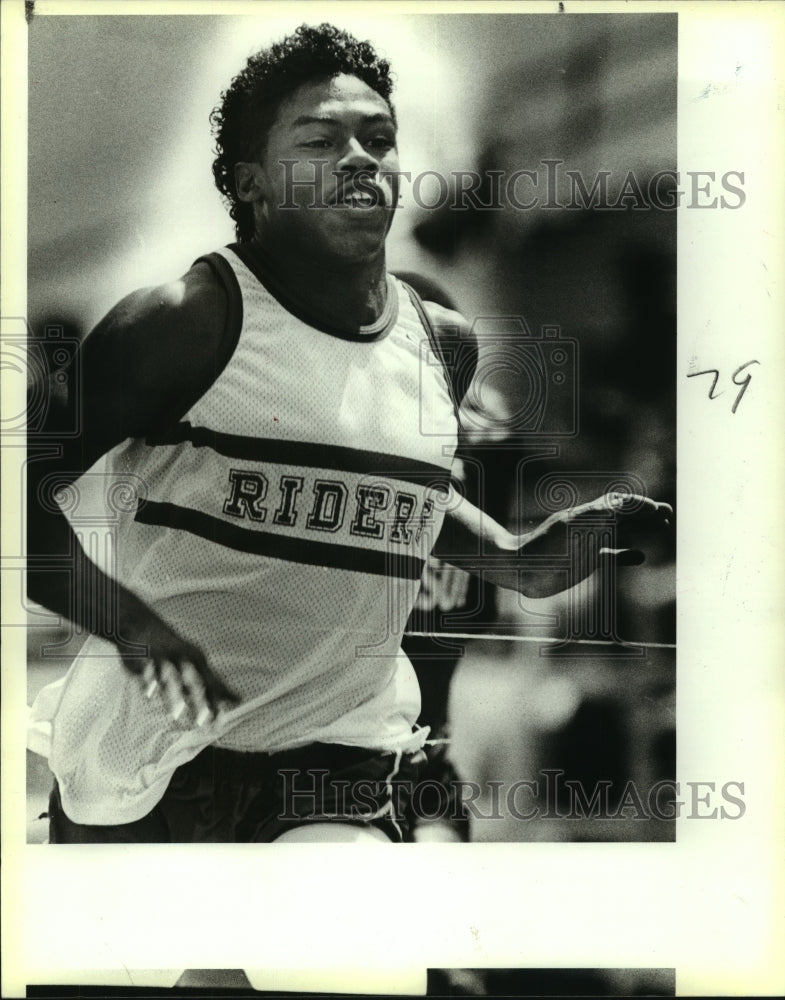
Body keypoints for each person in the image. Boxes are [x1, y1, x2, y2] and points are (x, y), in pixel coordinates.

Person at [27, 23, 671, 845]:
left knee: (352, 955)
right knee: (177, 973)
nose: (360, 158)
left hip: (335, 763)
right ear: (248, 179)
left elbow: (395, 504)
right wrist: (131, 626)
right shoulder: (178, 322)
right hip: (151, 763)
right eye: (321, 139)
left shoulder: (444, 344)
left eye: (378, 138)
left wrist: (530, 560)